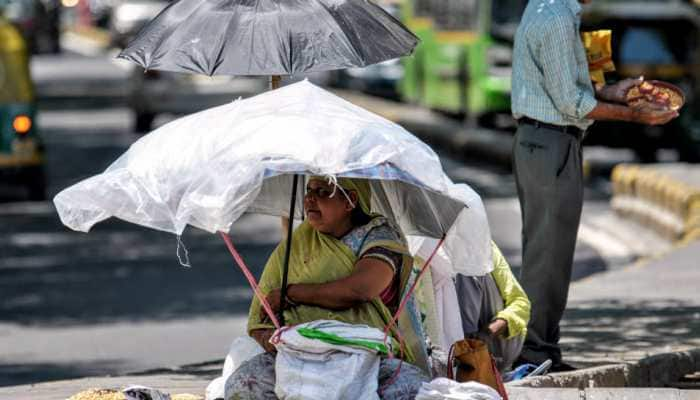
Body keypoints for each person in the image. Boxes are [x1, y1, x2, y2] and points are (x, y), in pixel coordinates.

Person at [510, 0, 678, 371]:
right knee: (547, 256)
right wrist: (634, 114)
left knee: (552, 254)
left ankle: (543, 350)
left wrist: (617, 92)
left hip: (551, 141)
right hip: (549, 140)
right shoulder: (554, 15)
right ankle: (535, 353)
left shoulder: (553, 10)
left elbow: (572, 87)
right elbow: (570, 102)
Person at [225, 177, 429, 400]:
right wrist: (276, 342)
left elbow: (361, 288)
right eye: (308, 191)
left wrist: (291, 294)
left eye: (322, 192)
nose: (310, 199)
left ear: (350, 200)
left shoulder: (379, 235)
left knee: (414, 390)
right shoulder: (299, 242)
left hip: (366, 354)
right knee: (241, 387)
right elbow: (261, 314)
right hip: (298, 355)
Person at [455, 242, 530, 372]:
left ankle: (468, 350)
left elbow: (521, 303)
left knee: (467, 267)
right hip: (446, 345)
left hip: (492, 343)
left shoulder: (482, 244)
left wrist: (489, 332)